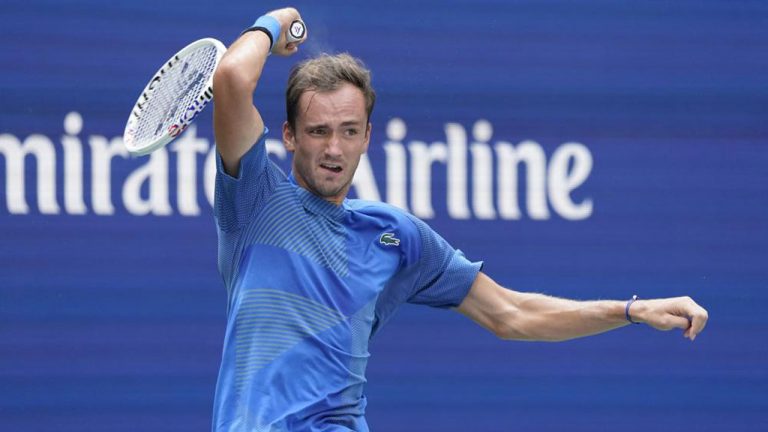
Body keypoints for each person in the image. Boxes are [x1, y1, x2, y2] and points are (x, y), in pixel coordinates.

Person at [211, 7, 709, 432]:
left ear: (367, 137)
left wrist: (629, 310)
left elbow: (512, 314)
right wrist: (275, 22)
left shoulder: (393, 236)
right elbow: (232, 77)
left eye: (349, 131)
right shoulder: (255, 201)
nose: (335, 148)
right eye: (318, 131)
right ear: (290, 136)